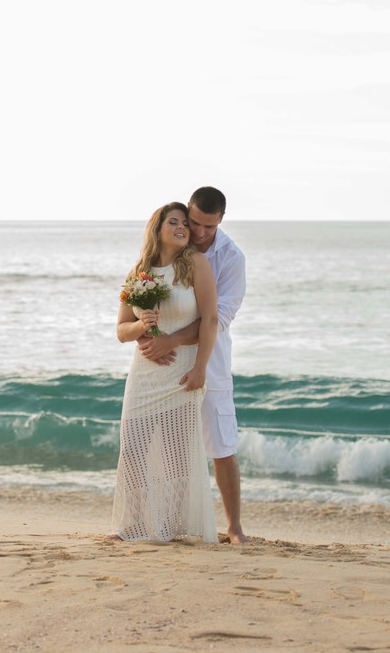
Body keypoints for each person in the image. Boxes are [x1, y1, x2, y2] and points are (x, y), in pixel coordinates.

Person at [137, 186, 248, 543]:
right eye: (195, 223)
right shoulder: (170, 248)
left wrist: (171, 340)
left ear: (220, 222)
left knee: (221, 445)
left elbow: (219, 318)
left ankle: (234, 527)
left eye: (208, 228)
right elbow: (145, 305)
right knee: (169, 447)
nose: (199, 233)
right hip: (166, 367)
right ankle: (168, 522)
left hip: (210, 364)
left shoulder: (231, 258)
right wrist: (147, 338)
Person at [111, 202, 218, 543]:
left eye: (185, 223)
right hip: (143, 375)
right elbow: (121, 330)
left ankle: (172, 527)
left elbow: (211, 319)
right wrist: (141, 324)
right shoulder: (138, 272)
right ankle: (134, 524)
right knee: (132, 451)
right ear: (157, 228)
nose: (182, 227)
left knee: (176, 456)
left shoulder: (196, 264)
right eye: (173, 222)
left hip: (181, 373)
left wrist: (201, 367)